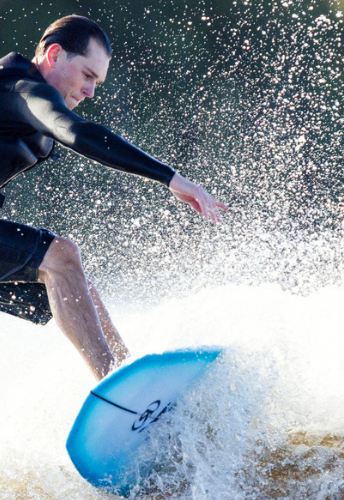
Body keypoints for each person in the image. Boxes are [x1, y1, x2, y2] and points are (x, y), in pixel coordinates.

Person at [0, 15, 228, 380]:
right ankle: (113, 383)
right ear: (54, 54)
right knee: (61, 256)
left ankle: (129, 380)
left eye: (98, 82)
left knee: (75, 284)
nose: (91, 91)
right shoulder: (20, 90)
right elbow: (76, 131)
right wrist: (169, 177)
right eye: (88, 75)